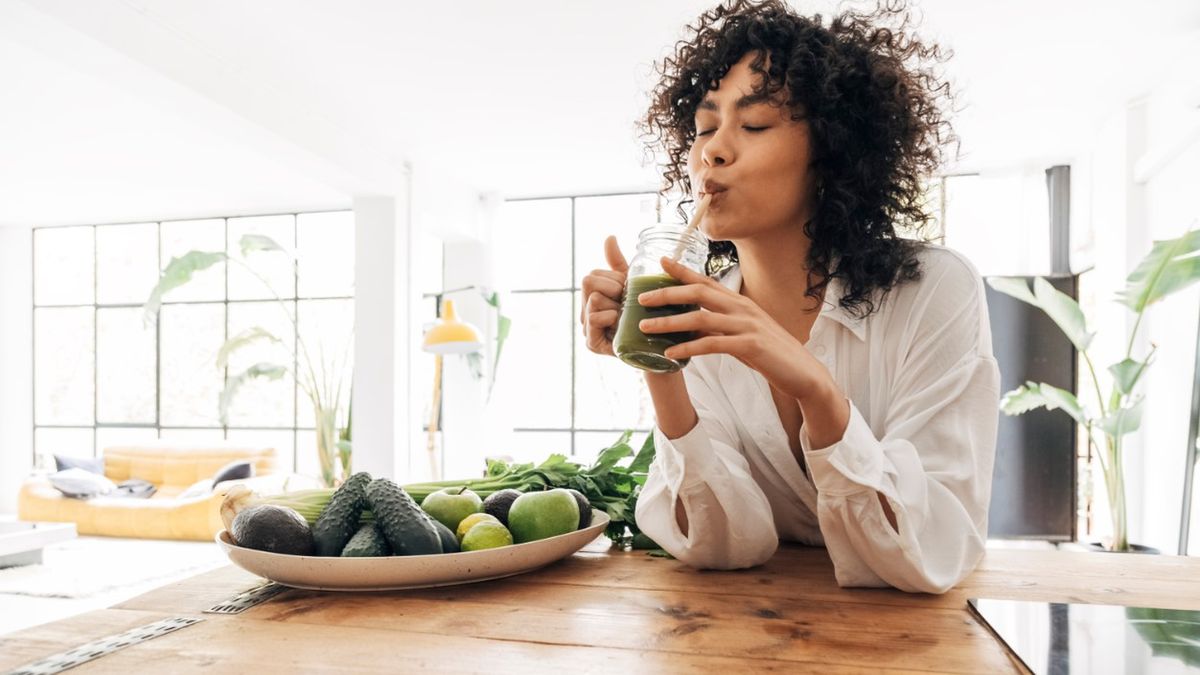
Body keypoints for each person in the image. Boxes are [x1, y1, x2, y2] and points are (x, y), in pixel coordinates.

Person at [580, 0, 1000, 593]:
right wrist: (659, 362)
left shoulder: (933, 290)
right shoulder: (698, 312)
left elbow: (934, 551)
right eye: (704, 127)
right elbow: (722, 546)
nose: (713, 151)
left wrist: (817, 390)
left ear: (831, 150)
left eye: (753, 126)